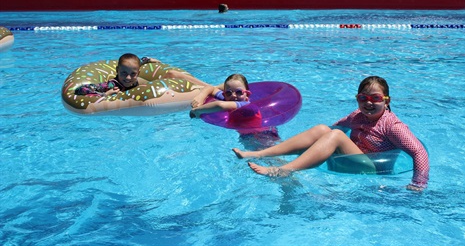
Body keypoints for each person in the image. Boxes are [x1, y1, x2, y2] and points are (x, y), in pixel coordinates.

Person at [233, 76, 430, 191]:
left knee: (335, 136)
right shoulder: (357, 116)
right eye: (363, 98)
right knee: (322, 129)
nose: (368, 103)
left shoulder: (392, 126)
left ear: (387, 100)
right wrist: (317, 144)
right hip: (357, 156)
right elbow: (330, 128)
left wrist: (418, 184)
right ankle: (258, 153)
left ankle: (284, 170)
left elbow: (419, 152)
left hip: (374, 167)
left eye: (375, 98)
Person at [75, 53, 209, 96]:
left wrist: (148, 60)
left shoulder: (137, 73)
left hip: (153, 85)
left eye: (133, 74)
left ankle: (209, 87)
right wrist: (105, 94)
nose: (128, 78)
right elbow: (80, 90)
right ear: (117, 71)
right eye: (123, 73)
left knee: (172, 73)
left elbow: (141, 61)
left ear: (138, 72)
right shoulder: (111, 85)